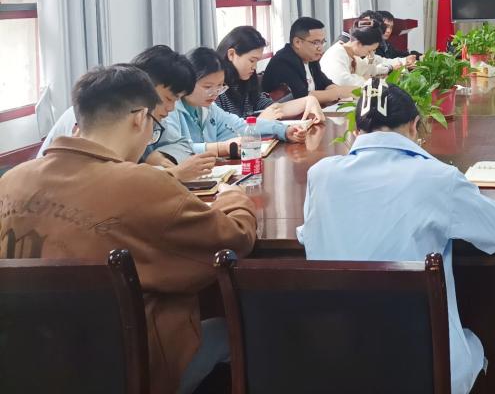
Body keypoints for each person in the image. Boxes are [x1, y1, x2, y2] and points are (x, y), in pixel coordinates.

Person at [0, 65, 257, 394]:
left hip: (27, 365)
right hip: (127, 369)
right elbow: (233, 241)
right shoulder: (140, 184)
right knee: (232, 329)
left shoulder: (12, 181)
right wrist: (235, 198)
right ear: (139, 118)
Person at [298, 79, 495, 394]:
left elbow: (308, 235)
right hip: (423, 364)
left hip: (335, 361)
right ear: (415, 126)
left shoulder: (320, 175)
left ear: (356, 132)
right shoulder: (437, 178)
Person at [35, 46, 214, 182]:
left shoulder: (147, 115)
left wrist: (161, 155)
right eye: (169, 98)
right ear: (146, 85)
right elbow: (98, 180)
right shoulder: (97, 113)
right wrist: (169, 174)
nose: (171, 108)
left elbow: (181, 143)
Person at [154, 47, 307, 164]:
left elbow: (241, 125)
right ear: (188, 81)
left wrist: (284, 130)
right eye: (208, 87)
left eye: (219, 86)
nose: (215, 93)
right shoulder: (170, 109)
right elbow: (172, 150)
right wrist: (221, 148)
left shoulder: (208, 108)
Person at [215, 26, 325, 124]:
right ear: (231, 54)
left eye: (257, 61)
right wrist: (259, 121)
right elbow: (222, 132)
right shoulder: (216, 90)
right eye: (252, 60)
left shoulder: (244, 82)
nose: (255, 67)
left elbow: (274, 109)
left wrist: (307, 101)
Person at [261, 17, 352, 105]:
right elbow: (302, 97)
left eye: (322, 42)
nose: (320, 48)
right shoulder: (283, 61)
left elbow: (325, 84)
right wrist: (337, 93)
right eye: (315, 42)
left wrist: (337, 92)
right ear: (297, 42)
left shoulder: (311, 58)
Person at [320, 24, 415, 86]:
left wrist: (372, 61)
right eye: (369, 50)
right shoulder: (337, 53)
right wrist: (371, 81)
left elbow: (369, 72)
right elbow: (343, 81)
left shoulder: (352, 54)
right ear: (358, 43)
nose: (371, 53)